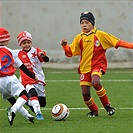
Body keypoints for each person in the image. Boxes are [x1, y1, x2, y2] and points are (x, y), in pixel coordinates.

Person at [60, 11, 133, 117]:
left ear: (92, 23)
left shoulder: (100, 35)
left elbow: (117, 42)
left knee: (95, 82)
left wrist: (131, 46)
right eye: (82, 23)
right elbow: (70, 52)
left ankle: (107, 105)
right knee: (85, 94)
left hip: (97, 65)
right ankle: (94, 111)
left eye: (87, 22)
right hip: (85, 68)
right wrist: (65, 46)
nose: (84, 25)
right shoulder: (79, 37)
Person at [0, 27, 38, 125]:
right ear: (7, 39)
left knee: (11, 98)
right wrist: (33, 76)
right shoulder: (11, 52)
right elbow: (22, 67)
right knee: (25, 95)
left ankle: (27, 115)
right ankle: (13, 110)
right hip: (10, 78)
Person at [16, 31, 49, 120]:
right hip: (27, 79)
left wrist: (43, 56)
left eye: (28, 42)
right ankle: (39, 114)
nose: (27, 45)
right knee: (33, 93)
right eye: (24, 43)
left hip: (39, 79)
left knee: (42, 103)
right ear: (20, 44)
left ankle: (28, 102)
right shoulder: (18, 54)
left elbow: (46, 59)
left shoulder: (36, 51)